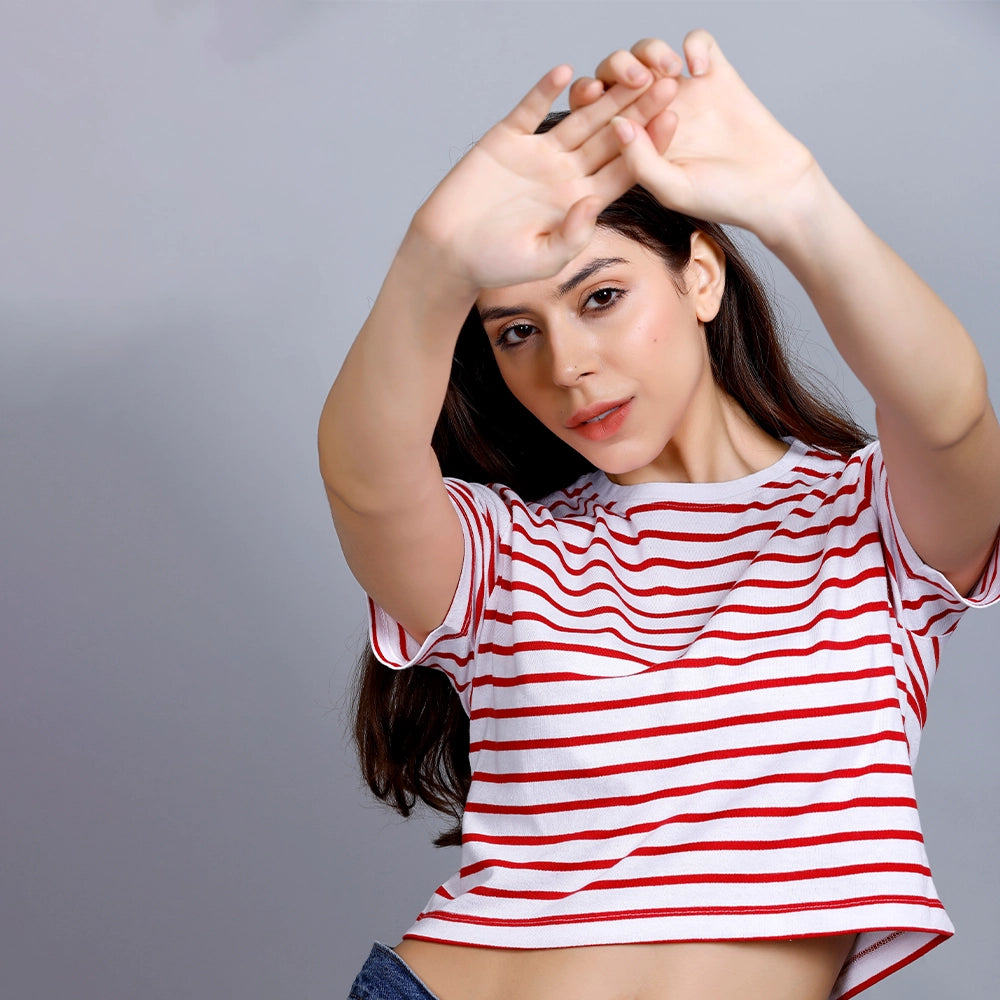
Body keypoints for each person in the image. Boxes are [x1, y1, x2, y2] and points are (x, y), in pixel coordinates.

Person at [320, 30, 1000, 1000]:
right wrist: (435, 259)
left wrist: (796, 197)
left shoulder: (874, 523)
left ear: (700, 276)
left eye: (599, 295)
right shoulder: (509, 551)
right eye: (517, 331)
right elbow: (363, 480)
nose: (564, 365)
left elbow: (952, 410)